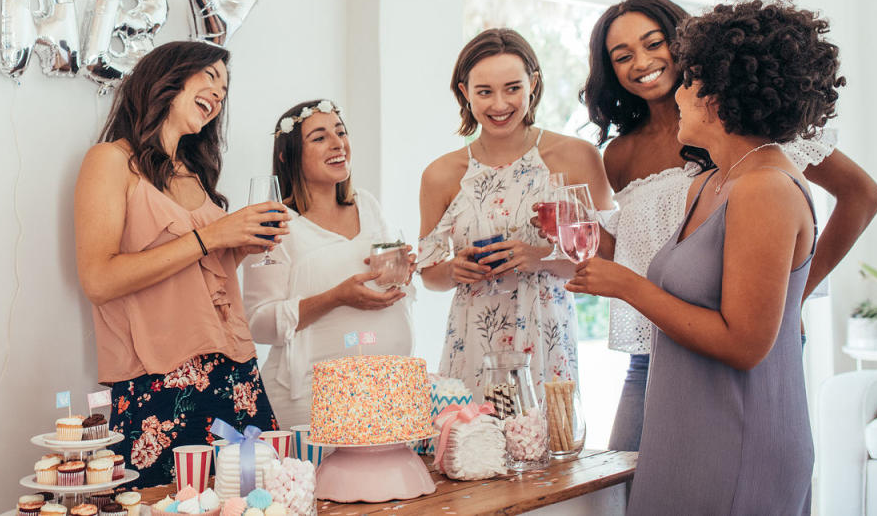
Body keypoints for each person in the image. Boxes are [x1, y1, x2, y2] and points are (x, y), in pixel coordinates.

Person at [568, 0, 854, 513]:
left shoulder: (764, 187)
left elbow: (744, 344)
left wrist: (628, 286)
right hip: (684, 418)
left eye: (689, 80)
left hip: (738, 434)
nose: (676, 91)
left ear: (721, 97)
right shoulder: (713, 181)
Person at [73, 41, 286, 487]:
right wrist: (212, 236)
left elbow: (198, 266)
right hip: (160, 378)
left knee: (260, 498)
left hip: (235, 367)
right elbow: (99, 278)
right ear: (166, 77)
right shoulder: (110, 161)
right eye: (210, 76)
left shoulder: (195, 174)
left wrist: (240, 244)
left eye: (225, 88)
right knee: (170, 501)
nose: (219, 93)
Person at [418, 28, 615, 394]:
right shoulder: (441, 174)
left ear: (533, 84)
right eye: (484, 92)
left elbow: (608, 258)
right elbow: (429, 275)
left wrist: (539, 258)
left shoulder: (577, 156)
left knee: (551, 444)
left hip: (546, 336)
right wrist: (454, 269)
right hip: (473, 341)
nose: (499, 104)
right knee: (475, 444)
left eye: (512, 88)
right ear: (464, 93)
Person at [243, 99, 415, 428]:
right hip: (313, 400)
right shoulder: (274, 223)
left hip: (389, 389)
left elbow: (381, 277)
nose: (338, 144)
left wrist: (402, 269)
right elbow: (259, 323)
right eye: (319, 137)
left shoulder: (367, 204)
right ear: (287, 155)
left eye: (341, 132)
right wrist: (336, 297)